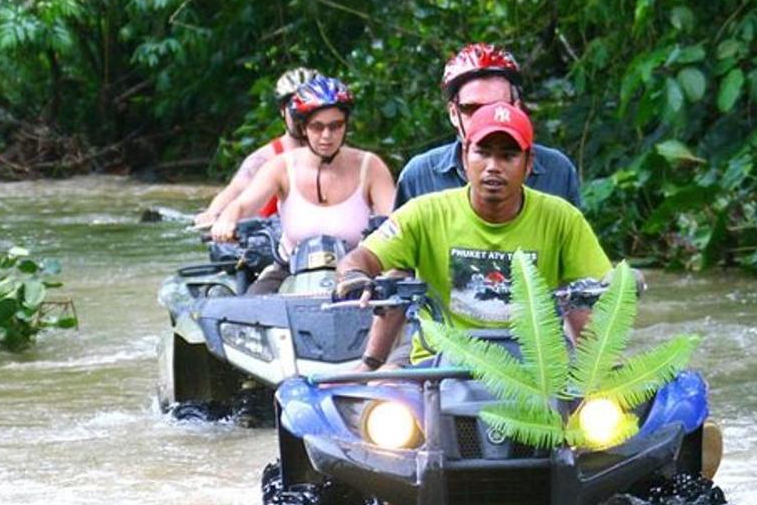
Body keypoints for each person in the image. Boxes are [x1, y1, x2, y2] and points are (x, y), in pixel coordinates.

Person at [336, 102, 611, 368]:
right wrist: (354, 276)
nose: (494, 166)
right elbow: (362, 257)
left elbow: (601, 288)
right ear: (465, 156)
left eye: (508, 155)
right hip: (438, 368)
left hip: (539, 372)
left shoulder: (562, 219)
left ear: (528, 164)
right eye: (483, 152)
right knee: (382, 391)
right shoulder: (424, 213)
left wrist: (621, 285)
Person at [211, 75, 396, 294]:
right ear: (303, 128)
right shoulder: (280, 167)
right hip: (288, 270)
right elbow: (243, 204)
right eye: (317, 127)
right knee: (245, 315)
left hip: (358, 272)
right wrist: (227, 220)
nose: (327, 136)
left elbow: (396, 221)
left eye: (336, 126)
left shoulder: (370, 166)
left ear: (346, 125)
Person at [394, 43, 581, 208]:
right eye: (472, 108)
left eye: (496, 107)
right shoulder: (420, 175)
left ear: (517, 108)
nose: (484, 118)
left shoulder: (556, 170)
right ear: (453, 113)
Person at [193, 67, 319, 228]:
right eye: (296, 108)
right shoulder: (265, 157)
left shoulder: (340, 154)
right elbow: (237, 188)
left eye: (311, 108)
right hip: (273, 240)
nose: (304, 115)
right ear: (282, 111)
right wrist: (213, 212)